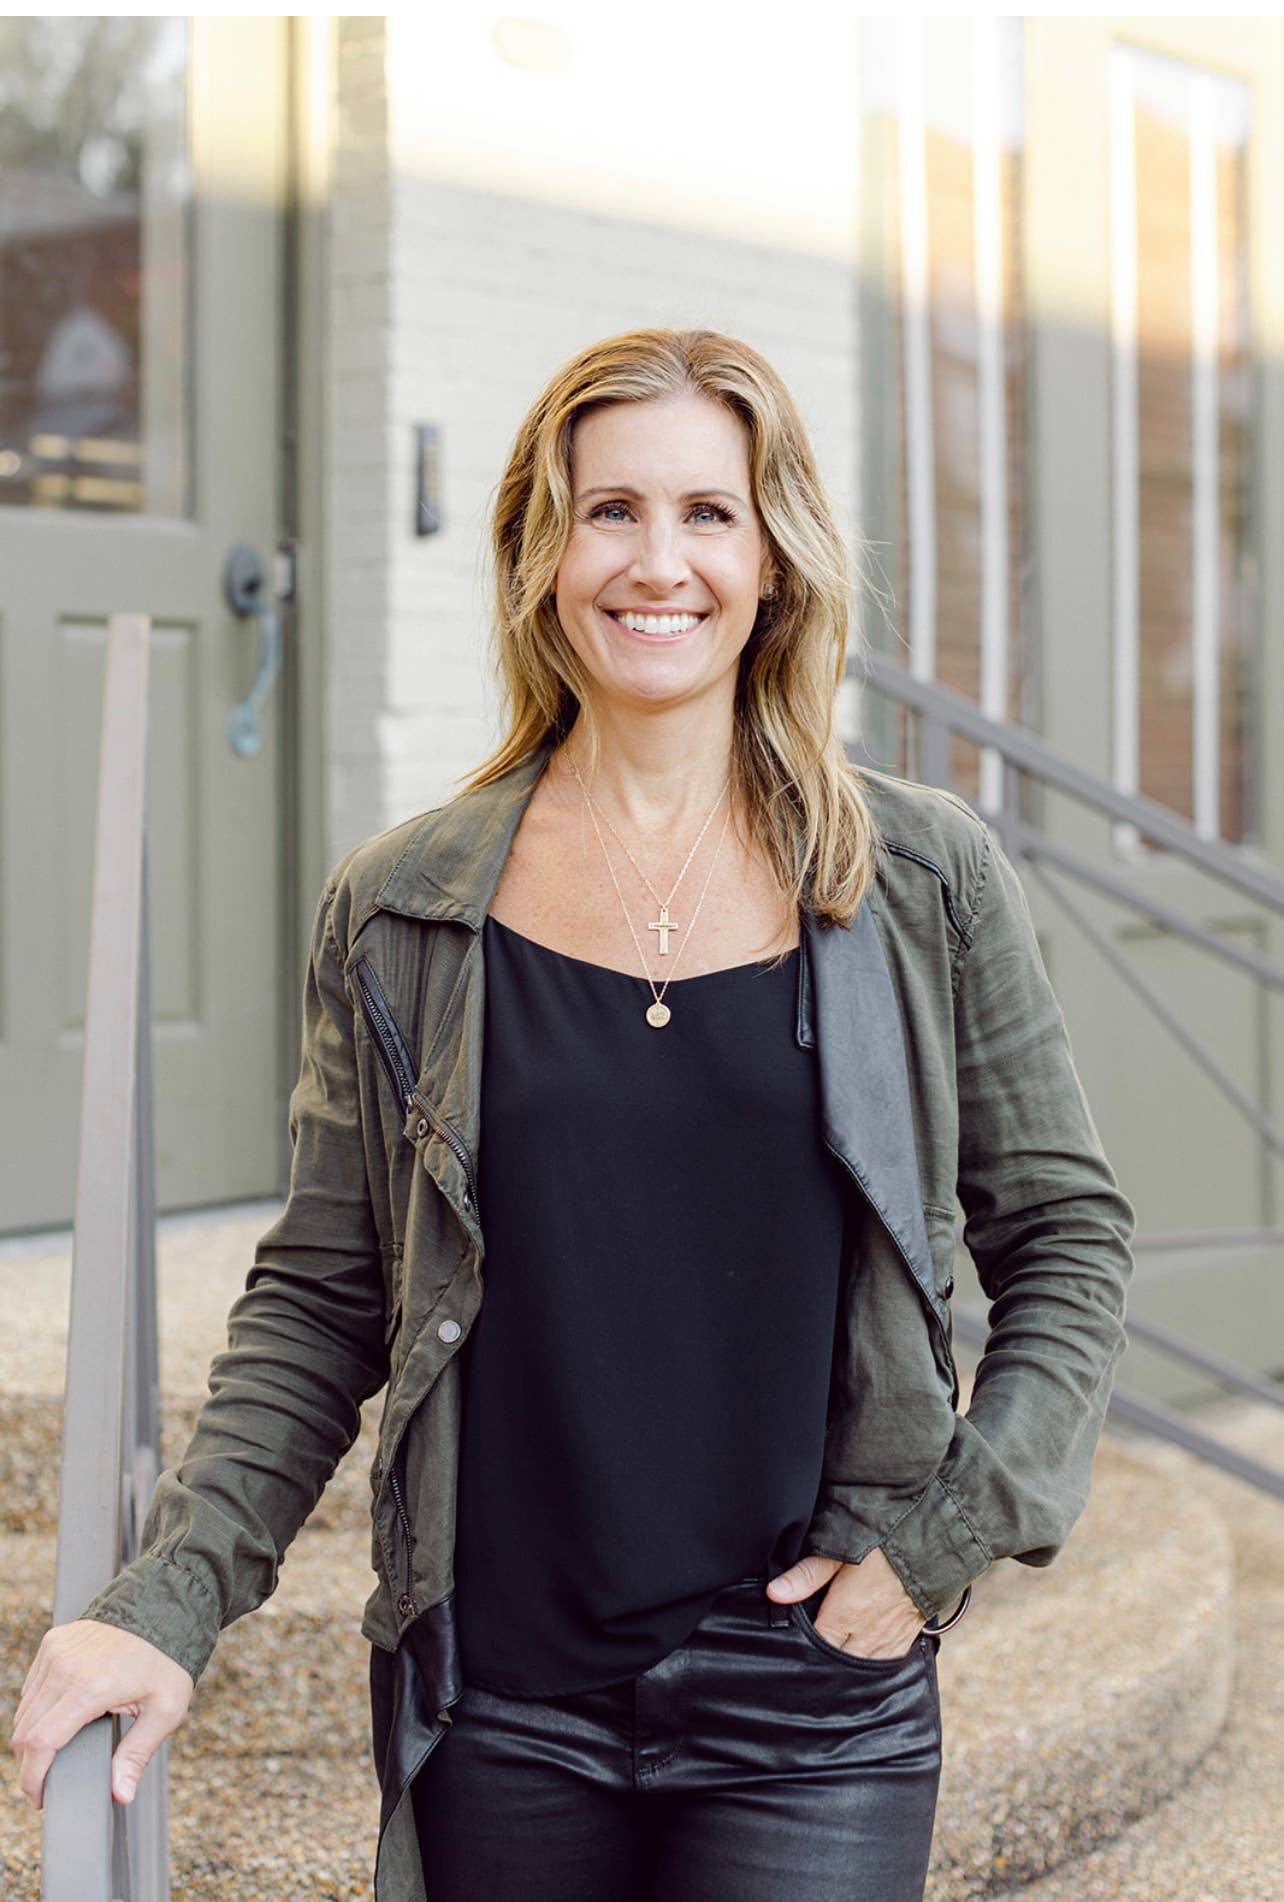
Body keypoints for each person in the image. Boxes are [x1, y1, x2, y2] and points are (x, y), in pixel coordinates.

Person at [11, 327, 1135, 1902]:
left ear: (774, 559)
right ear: (542, 552)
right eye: (609, 510)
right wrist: (168, 1598)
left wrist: (941, 1541)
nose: (654, 560)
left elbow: (1071, 1237)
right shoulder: (403, 908)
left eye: (707, 513)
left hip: (809, 1705)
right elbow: (325, 1298)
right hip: (502, 1705)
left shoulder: (918, 882)